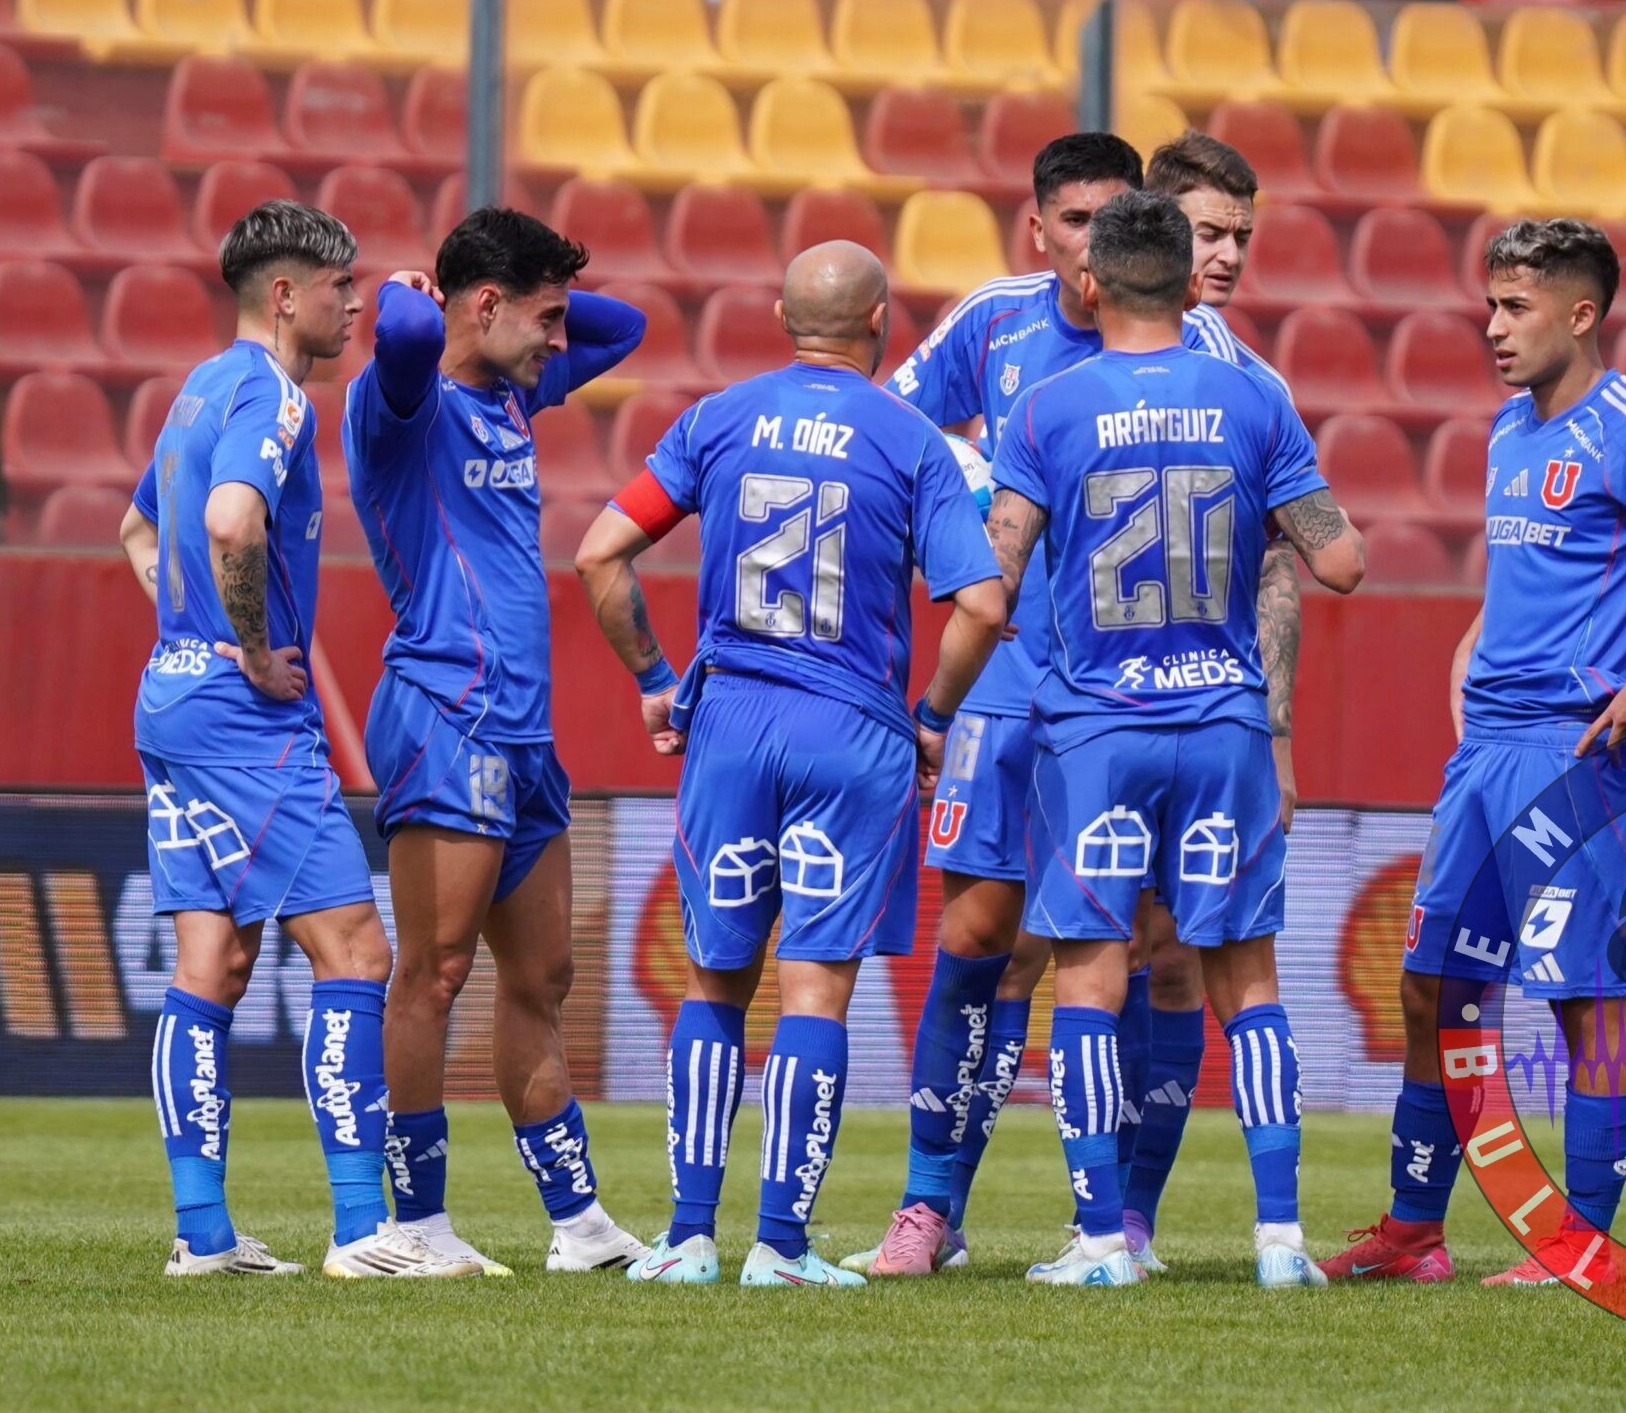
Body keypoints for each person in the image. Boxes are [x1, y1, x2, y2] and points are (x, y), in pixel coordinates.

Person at [1319, 219, 1626, 1289]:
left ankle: (1584, 1245)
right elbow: (1531, 583)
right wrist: (1473, 652)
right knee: (1433, 988)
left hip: (1581, 758)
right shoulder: (1508, 428)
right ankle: (1413, 1233)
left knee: (1584, 998)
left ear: (1580, 315)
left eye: (1515, 307)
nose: (1492, 326)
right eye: (1489, 304)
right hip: (1488, 752)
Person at [855, 130, 1289, 1278]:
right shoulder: (995, 323)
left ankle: (1123, 1221)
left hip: (1153, 707)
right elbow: (886, 431)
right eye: (1075, 221)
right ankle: (929, 1209)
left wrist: (1278, 731)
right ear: (1040, 229)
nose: (1093, 244)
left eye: (1113, 220)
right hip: (1010, 687)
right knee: (981, 940)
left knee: (1158, 954)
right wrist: (961, 502)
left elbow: (1282, 559)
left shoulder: (1224, 364)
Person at [573, 241, 1008, 1288]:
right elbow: (984, 604)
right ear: (881, 323)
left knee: (713, 982)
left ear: (781, 317)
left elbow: (598, 552)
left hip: (729, 723)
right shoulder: (911, 440)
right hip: (850, 732)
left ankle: (687, 1238)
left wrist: (656, 679)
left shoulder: (717, 419)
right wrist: (932, 717)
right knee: (813, 992)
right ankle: (780, 1245)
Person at [981, 189, 1365, 1287]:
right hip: (1225, 723)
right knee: (1249, 981)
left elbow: (995, 575)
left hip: (1098, 731)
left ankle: (1103, 1242)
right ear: (1192, 285)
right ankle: (1281, 1241)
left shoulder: (1047, 409)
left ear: (1088, 282)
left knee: (1089, 984)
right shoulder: (1253, 400)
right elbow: (1340, 562)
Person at [114, 200, 447, 1278]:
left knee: (212, 961)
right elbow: (227, 522)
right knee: (357, 953)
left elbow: (138, 529)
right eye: (341, 286)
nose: (355, 304)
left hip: (172, 699)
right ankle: (361, 1230)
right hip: (242, 715)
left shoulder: (198, 388)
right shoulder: (275, 393)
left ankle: (203, 1234)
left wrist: (189, 633)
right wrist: (250, 651)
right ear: (286, 294)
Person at [344, 207, 651, 1276]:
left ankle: (579, 1225)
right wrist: (408, 294)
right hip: (445, 715)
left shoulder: (518, 393)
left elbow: (627, 327)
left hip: (523, 733)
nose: (564, 339)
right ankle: (415, 1227)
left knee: (544, 977)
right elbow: (404, 334)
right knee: (433, 974)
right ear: (483, 305)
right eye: (545, 316)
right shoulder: (403, 406)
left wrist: (531, 299)